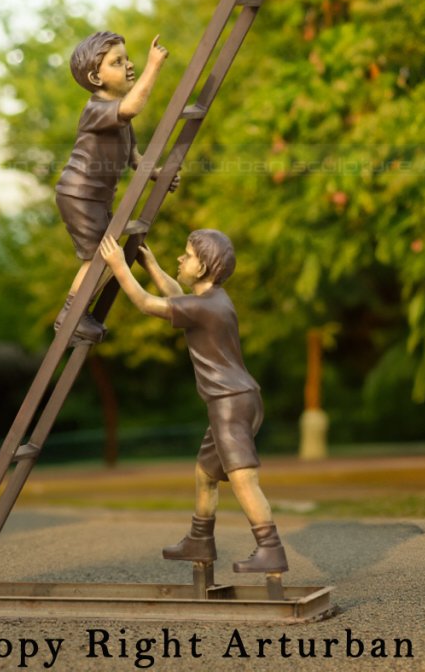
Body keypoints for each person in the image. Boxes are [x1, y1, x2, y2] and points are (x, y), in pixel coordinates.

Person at [99, 229, 288, 573]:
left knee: (243, 480)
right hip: (236, 399)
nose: (181, 259)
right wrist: (151, 264)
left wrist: (118, 266)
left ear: (201, 269)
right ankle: (200, 539)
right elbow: (174, 295)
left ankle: (270, 548)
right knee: (205, 474)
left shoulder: (206, 308)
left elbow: (146, 303)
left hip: (230, 402)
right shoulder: (213, 299)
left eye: (187, 255)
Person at [54, 31, 174, 344]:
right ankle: (71, 315)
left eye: (127, 58)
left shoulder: (120, 117)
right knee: (102, 259)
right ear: (96, 76)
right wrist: (154, 67)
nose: (129, 66)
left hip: (96, 197)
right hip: (80, 195)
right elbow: (134, 106)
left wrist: (157, 174)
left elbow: (135, 158)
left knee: (109, 258)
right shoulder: (98, 109)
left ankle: (79, 312)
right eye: (117, 62)